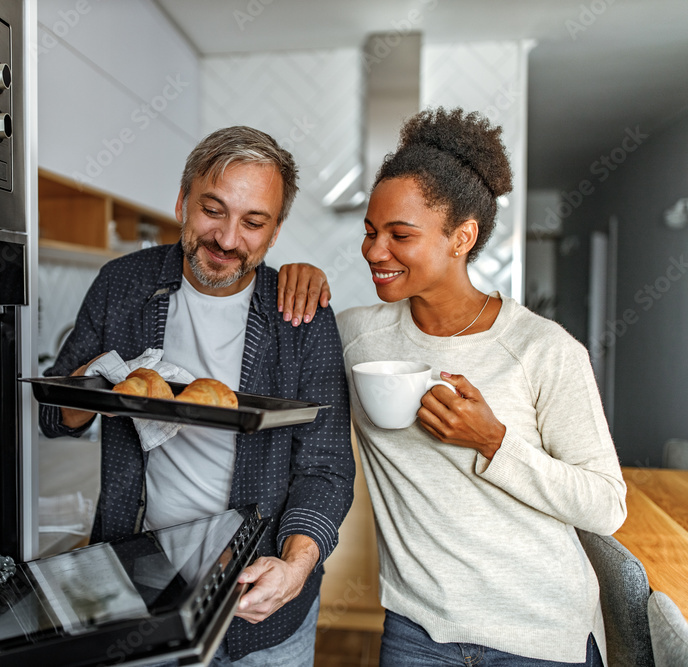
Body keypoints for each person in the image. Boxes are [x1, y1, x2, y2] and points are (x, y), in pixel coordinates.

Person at [40, 125, 355, 665]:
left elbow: (326, 468)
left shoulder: (301, 318)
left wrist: (296, 567)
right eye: (213, 210)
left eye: (253, 222)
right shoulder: (123, 285)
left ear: (275, 232)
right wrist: (99, 380)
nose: (229, 239)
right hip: (140, 582)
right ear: (183, 202)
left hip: (262, 590)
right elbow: (56, 416)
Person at [336, 107, 626, 666]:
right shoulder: (355, 337)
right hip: (418, 633)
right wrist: (301, 279)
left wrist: (495, 441)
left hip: (540, 635)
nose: (375, 251)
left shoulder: (545, 350)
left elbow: (607, 507)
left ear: (461, 237)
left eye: (400, 235)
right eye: (370, 233)